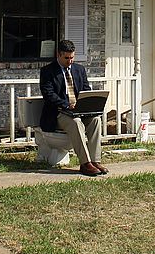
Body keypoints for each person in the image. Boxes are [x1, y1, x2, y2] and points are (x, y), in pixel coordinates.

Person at [39, 39, 108, 177]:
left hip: (79, 110)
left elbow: (86, 90)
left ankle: (95, 160)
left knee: (96, 120)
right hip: (58, 112)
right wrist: (66, 105)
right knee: (75, 123)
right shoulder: (47, 71)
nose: (70, 61)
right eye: (66, 58)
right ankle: (85, 163)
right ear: (58, 55)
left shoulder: (79, 70)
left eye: (72, 57)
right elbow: (49, 95)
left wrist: (86, 103)